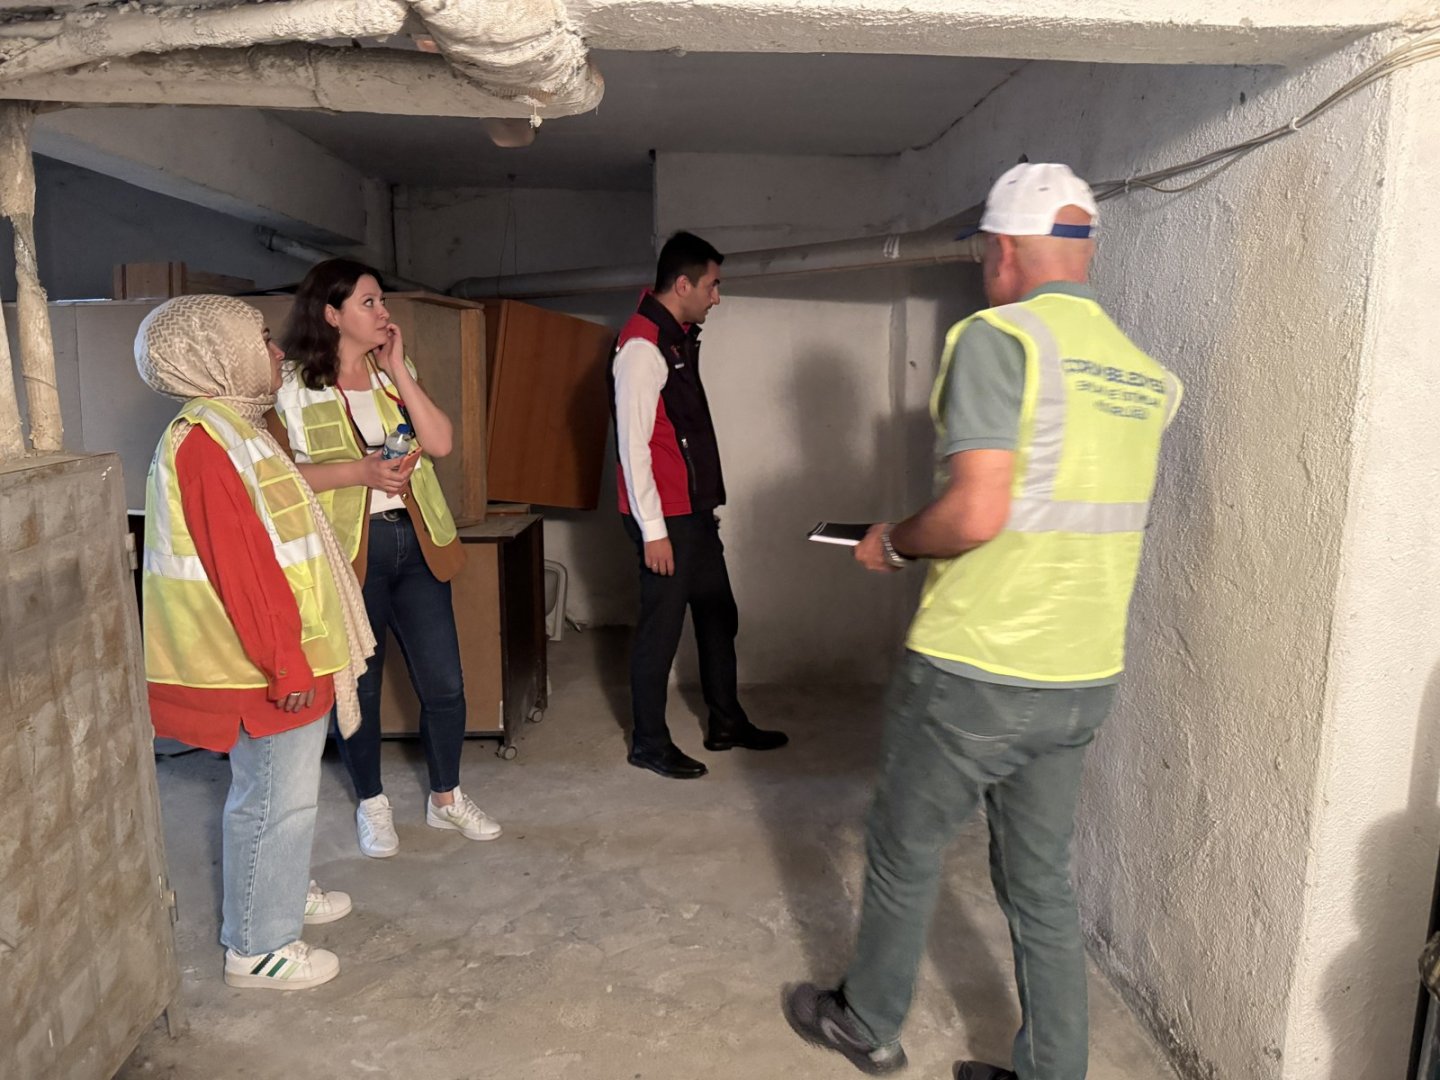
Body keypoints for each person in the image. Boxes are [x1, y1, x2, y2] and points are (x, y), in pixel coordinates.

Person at [782, 164, 1183, 1080]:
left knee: (904, 846)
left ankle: (867, 1022)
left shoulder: (1001, 339)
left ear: (1001, 250)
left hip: (978, 667)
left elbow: (975, 513)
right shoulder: (1144, 374)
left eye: (984, 257)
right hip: (1082, 673)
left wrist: (893, 541)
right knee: (1041, 883)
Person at [136, 294, 377, 989]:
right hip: (259, 665)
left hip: (285, 651)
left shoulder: (237, 428)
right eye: (263, 339)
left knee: (285, 797)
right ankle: (259, 945)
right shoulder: (206, 443)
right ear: (217, 354)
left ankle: (277, 888)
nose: (276, 352)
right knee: (274, 800)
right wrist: (285, 662)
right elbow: (242, 568)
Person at [272, 259, 499, 858]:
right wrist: (361, 472)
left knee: (445, 684)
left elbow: (441, 442)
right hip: (350, 555)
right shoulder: (290, 384)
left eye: (381, 301)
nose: (383, 312)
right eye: (368, 302)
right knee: (362, 692)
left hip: (416, 543)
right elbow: (276, 476)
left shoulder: (392, 372)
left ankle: (446, 798)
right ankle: (371, 802)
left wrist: (397, 367)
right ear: (331, 314)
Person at [611, 230, 788, 779]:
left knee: (717, 613)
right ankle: (648, 742)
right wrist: (654, 531)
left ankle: (726, 721)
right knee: (660, 630)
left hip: (693, 511)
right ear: (683, 284)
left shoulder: (676, 336)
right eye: (712, 285)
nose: (718, 297)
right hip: (664, 517)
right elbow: (633, 447)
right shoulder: (642, 348)